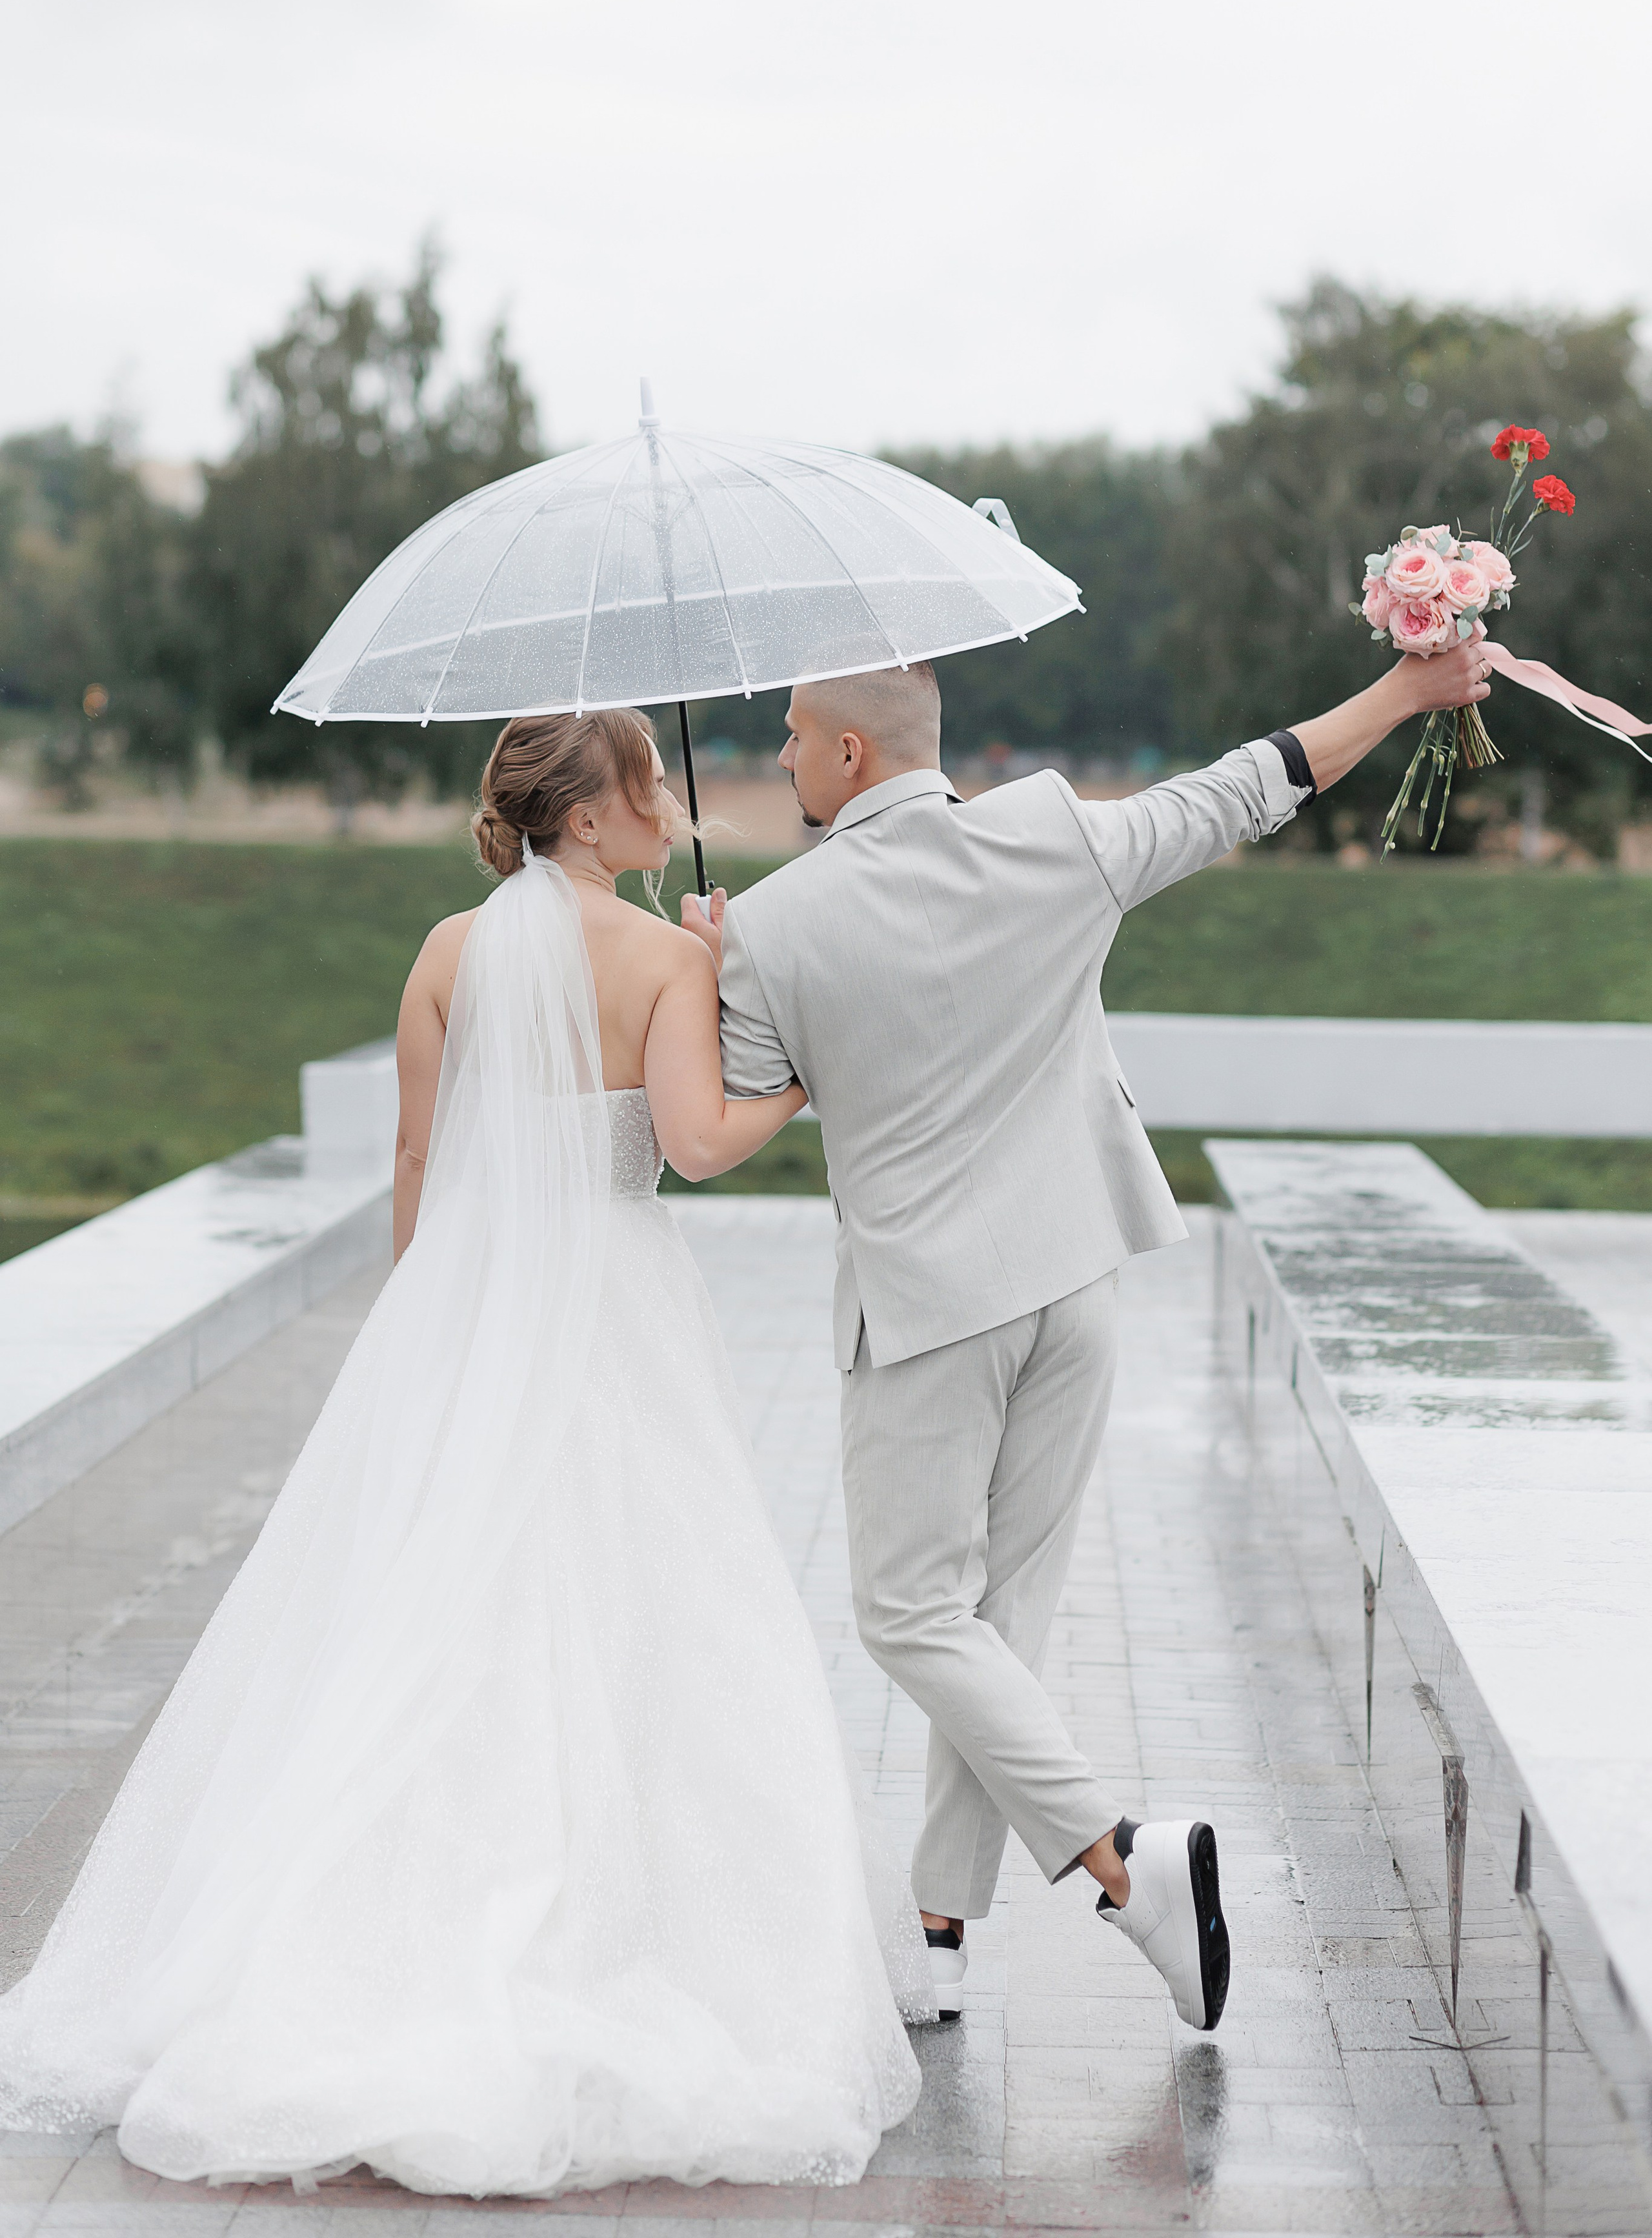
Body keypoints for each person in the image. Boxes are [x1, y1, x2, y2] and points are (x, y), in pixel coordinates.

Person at [0, 709, 928, 2199]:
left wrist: (422, 1319)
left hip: (462, 1301)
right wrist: (796, 1076)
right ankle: (640, 1927)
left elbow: (417, 1158)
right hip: (616, 1306)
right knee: (640, 1597)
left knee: (418, 1605)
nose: (664, 808)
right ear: (584, 821)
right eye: (644, 790)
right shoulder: (671, 961)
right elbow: (693, 1145)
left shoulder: (446, 950)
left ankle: (345, 1931)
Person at [681, 636, 1496, 2033]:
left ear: (848, 755)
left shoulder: (776, 920)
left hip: (929, 1311)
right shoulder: (1054, 831)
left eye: (791, 736)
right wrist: (1407, 691)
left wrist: (712, 969)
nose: (777, 758)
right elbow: (1254, 784)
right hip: (1076, 1273)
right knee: (995, 1623)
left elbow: (744, 1108)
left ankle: (1127, 1869)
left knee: (906, 1615)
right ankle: (940, 1932)